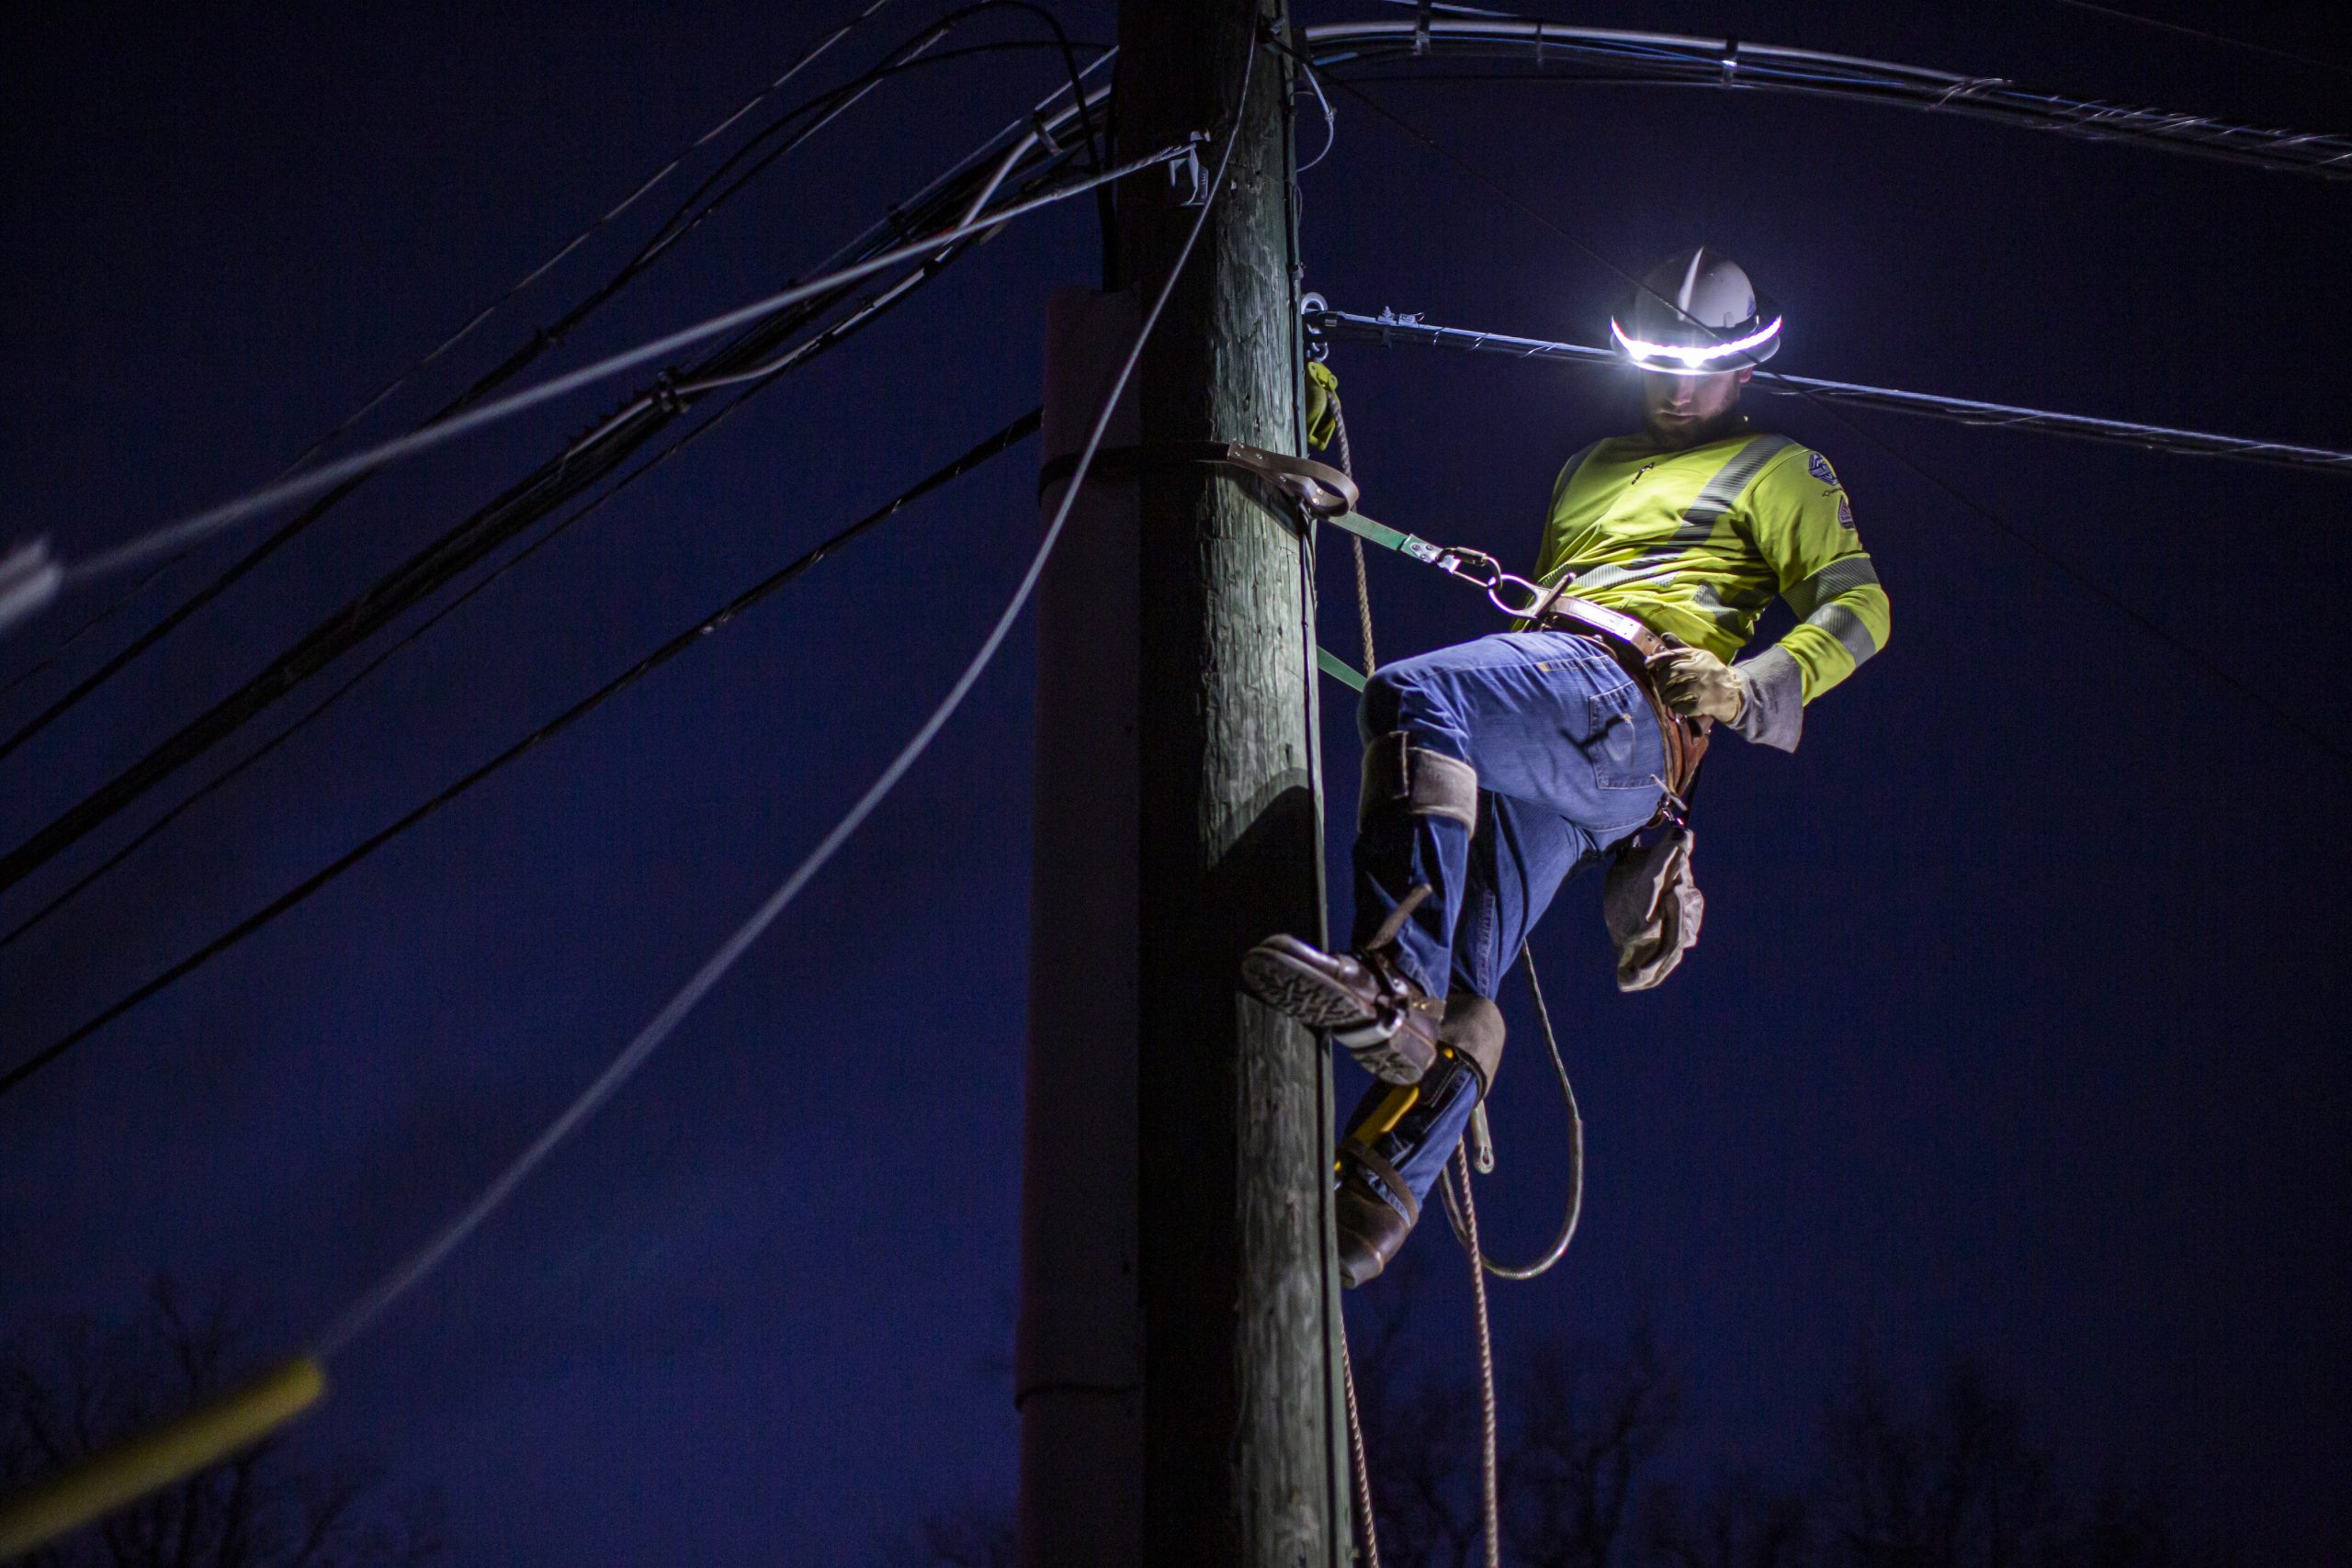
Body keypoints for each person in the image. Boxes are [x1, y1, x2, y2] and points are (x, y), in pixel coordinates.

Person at [1242, 248, 1893, 1285]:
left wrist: (1745, 685)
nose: (1678, 386)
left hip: (1631, 705)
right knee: (1474, 959)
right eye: (1661, 362)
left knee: (1418, 698)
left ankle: (1389, 986)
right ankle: (1381, 1193)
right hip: (1575, 724)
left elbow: (1861, 608)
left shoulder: (1780, 468)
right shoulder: (1586, 466)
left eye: (1701, 366)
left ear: (1745, 368)